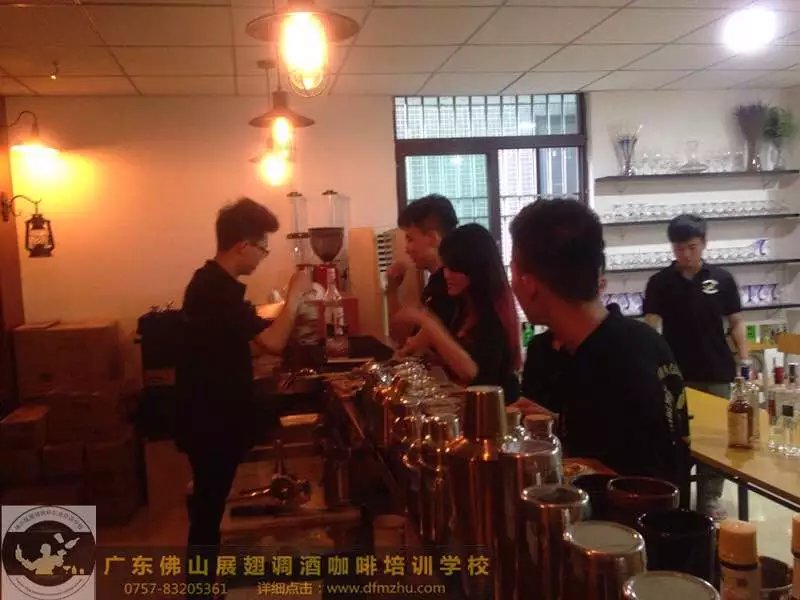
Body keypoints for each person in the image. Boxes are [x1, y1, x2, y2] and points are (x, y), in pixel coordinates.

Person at [176, 197, 311, 598]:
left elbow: (241, 341)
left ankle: (203, 585)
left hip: (210, 412)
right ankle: (200, 589)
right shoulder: (214, 289)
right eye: (263, 248)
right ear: (242, 245)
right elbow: (272, 342)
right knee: (208, 508)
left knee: (209, 504)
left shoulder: (213, 284)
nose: (263, 256)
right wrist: (294, 297)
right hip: (210, 417)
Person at [509, 198, 689, 486]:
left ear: (529, 285)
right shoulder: (635, 341)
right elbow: (614, 440)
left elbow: (649, 483)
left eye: (513, 271)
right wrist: (554, 423)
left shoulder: (617, 361)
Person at [643, 213, 748, 519]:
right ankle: (676, 493)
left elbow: (736, 321)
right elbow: (651, 325)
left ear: (703, 243)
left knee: (716, 437)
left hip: (717, 370)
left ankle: (710, 497)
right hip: (676, 374)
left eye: (691, 247)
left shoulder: (722, 279)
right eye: (679, 248)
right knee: (677, 437)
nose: (685, 254)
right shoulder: (660, 282)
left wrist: (744, 360)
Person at [394, 223, 521, 403]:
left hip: (494, 409)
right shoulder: (464, 304)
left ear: (475, 269)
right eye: (446, 267)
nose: (447, 275)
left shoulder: (493, 312)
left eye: (454, 268)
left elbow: (473, 373)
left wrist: (429, 324)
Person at [386, 194, 459, 345]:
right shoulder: (435, 282)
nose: (407, 249)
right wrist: (392, 289)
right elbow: (403, 338)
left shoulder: (449, 285)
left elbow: (407, 343)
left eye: (410, 239)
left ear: (432, 238)